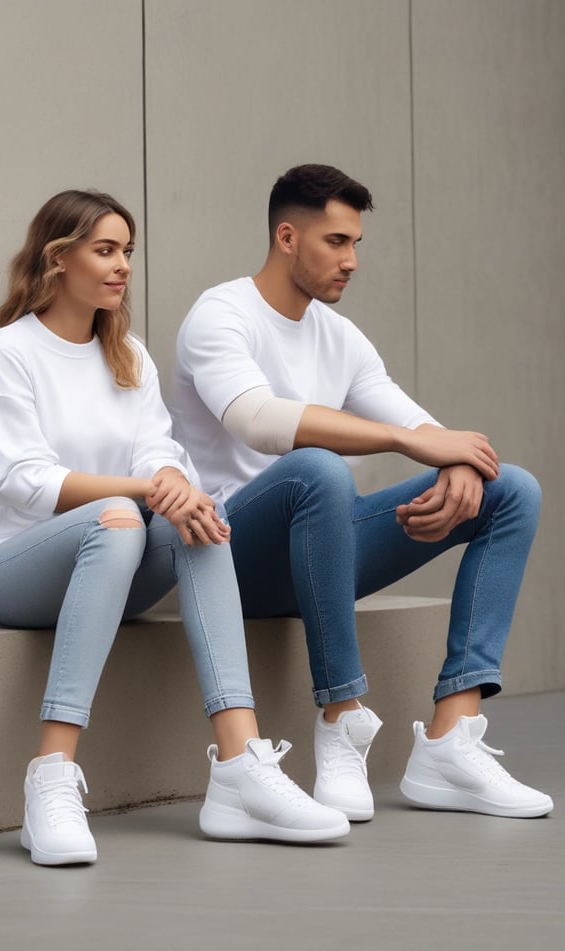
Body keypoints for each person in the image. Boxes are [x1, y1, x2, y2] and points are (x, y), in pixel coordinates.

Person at [0, 188, 351, 867]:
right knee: (123, 517)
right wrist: (148, 490)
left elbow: (157, 452)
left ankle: (238, 765)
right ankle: (50, 772)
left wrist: (174, 487)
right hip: (4, 569)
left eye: (127, 251)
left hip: (114, 550)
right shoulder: (10, 352)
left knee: (199, 514)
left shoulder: (127, 353)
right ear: (57, 259)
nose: (122, 265)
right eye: (105, 250)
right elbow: (24, 480)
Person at [172, 164, 553, 823]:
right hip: (231, 554)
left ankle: (449, 740)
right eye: (336, 242)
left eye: (356, 244)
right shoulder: (220, 315)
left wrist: (458, 457)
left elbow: (413, 418)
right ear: (287, 237)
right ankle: (340, 718)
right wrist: (411, 443)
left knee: (510, 487)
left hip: (320, 547)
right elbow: (258, 419)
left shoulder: (337, 335)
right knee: (316, 468)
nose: (351, 260)